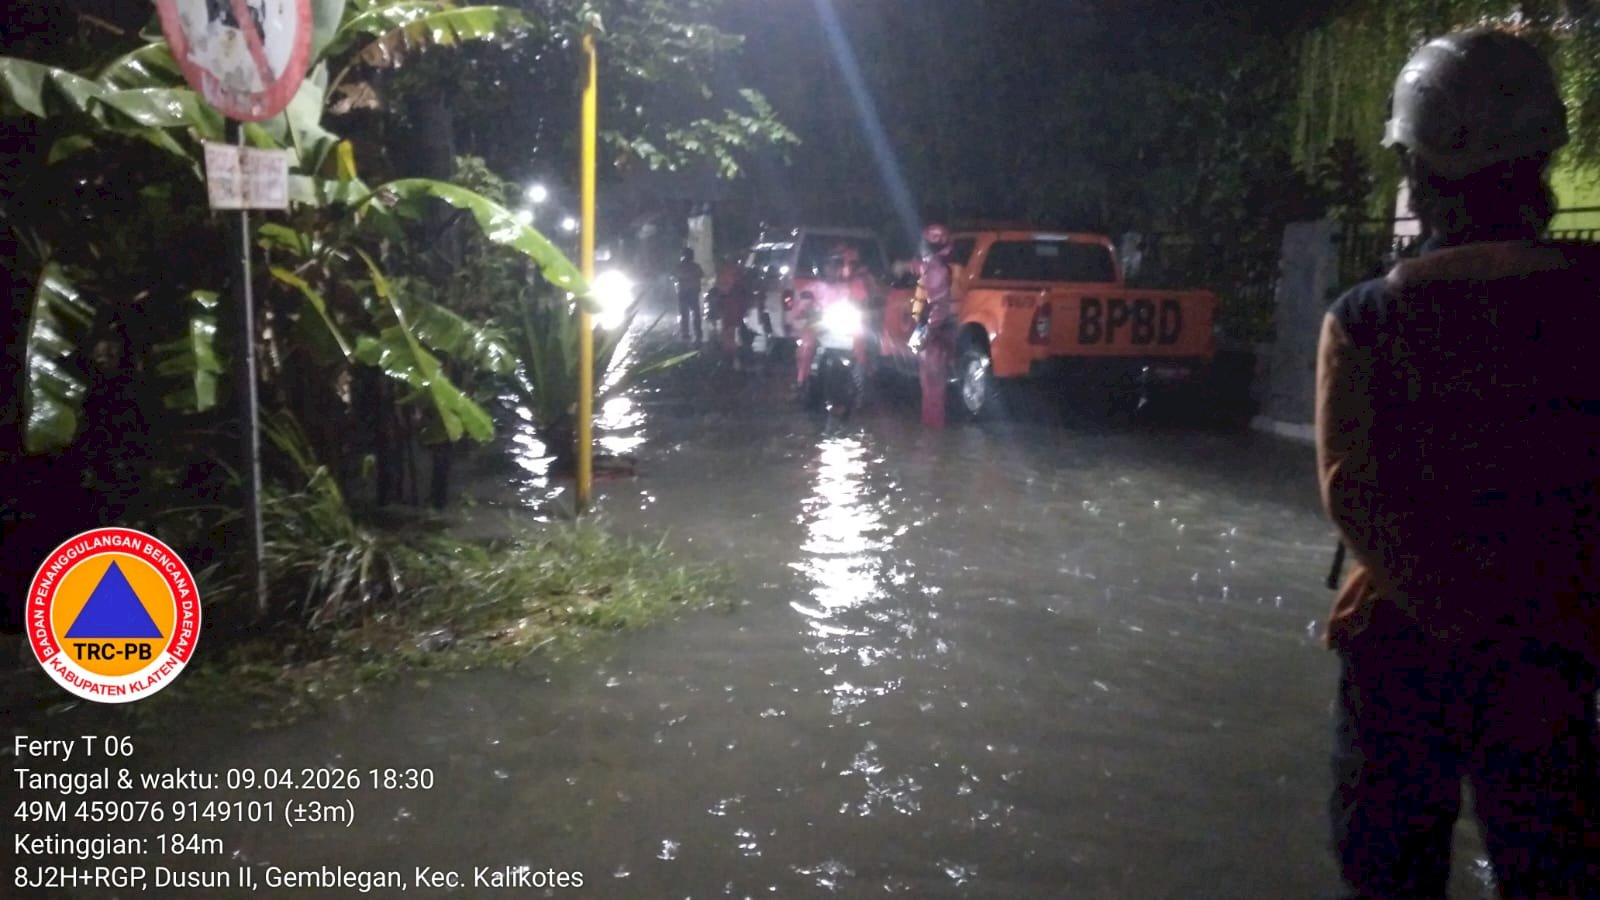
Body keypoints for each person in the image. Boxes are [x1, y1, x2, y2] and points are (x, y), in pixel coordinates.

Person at [1315, 28, 1600, 899]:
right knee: (1551, 863)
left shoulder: (1366, 320)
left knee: (1388, 865)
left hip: (1405, 642)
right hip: (1556, 640)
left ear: (1420, 167)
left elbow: (1350, 493)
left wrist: (1426, 592)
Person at [794, 243, 872, 394]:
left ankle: (861, 383)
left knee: (860, 340)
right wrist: (806, 310)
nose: (833, 269)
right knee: (807, 344)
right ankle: (801, 382)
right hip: (819, 325)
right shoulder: (814, 287)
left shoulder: (850, 286)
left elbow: (862, 302)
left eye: (837, 266)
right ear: (824, 267)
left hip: (842, 324)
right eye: (830, 266)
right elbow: (801, 308)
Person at [911, 223, 956, 428]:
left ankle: (932, 439)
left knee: (933, 388)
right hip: (937, 334)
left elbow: (938, 308)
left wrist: (926, 333)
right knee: (930, 388)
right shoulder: (935, 266)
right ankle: (932, 439)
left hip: (936, 337)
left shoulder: (937, 268)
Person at [674, 248, 704, 343]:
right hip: (693, 292)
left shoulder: (680, 266)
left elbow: (673, 276)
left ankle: (685, 333)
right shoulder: (695, 266)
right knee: (695, 313)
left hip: (683, 293)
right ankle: (698, 332)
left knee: (684, 313)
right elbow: (701, 275)